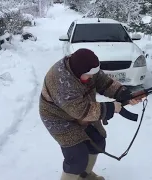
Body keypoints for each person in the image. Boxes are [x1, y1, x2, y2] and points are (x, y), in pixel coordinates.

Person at [39, 48, 141, 180]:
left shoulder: (86, 68)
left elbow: (104, 83)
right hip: (58, 117)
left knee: (97, 141)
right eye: (89, 75)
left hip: (81, 110)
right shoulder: (60, 80)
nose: (92, 77)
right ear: (78, 72)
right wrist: (111, 108)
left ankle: (84, 176)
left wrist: (124, 94)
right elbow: (80, 111)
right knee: (77, 157)